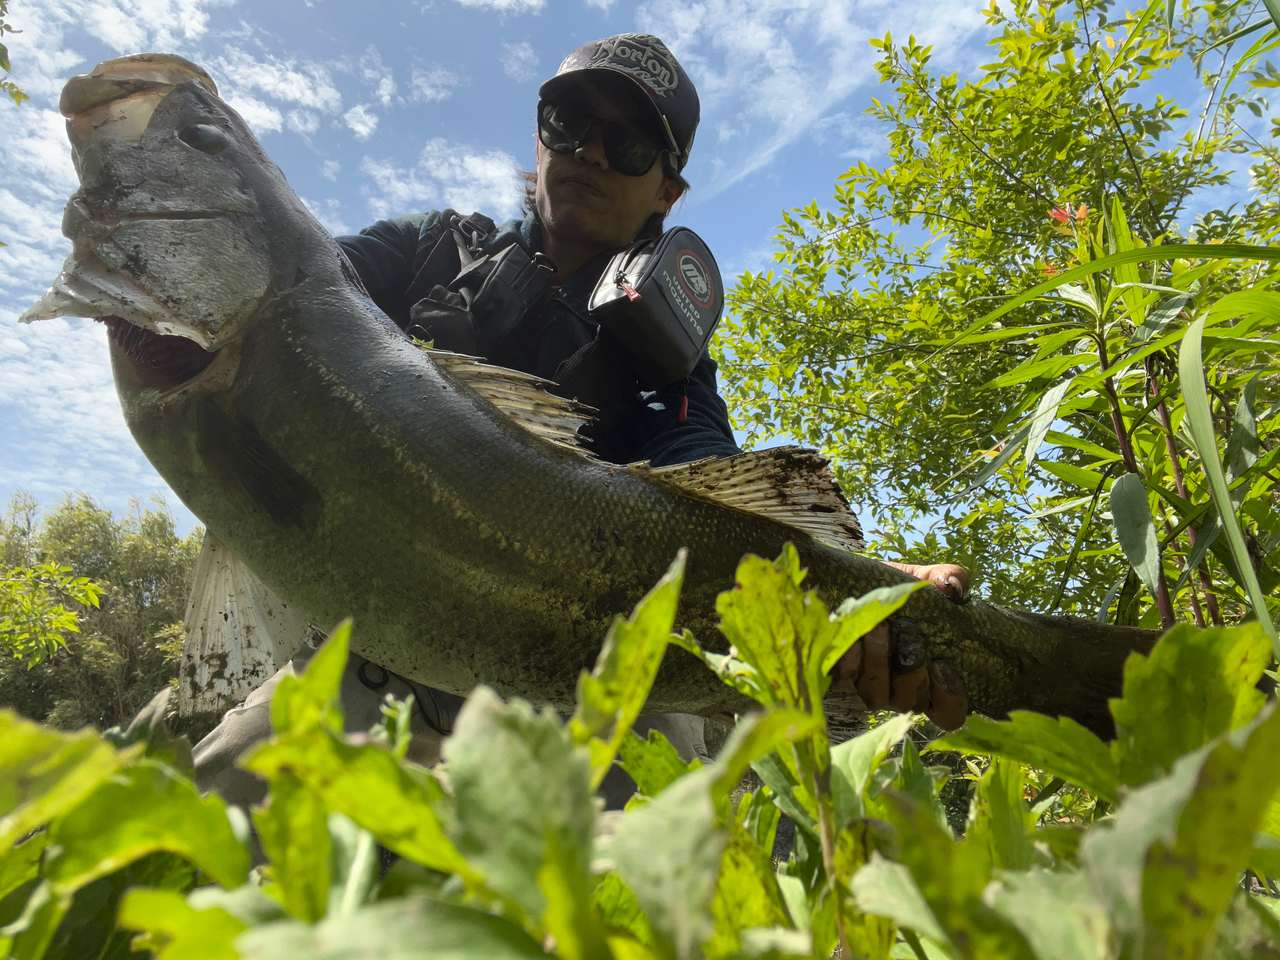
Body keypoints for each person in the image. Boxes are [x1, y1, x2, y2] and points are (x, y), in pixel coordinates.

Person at [192, 33, 967, 811]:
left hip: (595, 686)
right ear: (540, 134)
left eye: (629, 143)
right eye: (568, 122)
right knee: (191, 859)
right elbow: (281, 284)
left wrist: (857, 590)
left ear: (667, 190)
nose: (591, 152)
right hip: (371, 649)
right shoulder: (424, 245)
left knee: (641, 900)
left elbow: (716, 483)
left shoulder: (672, 358)